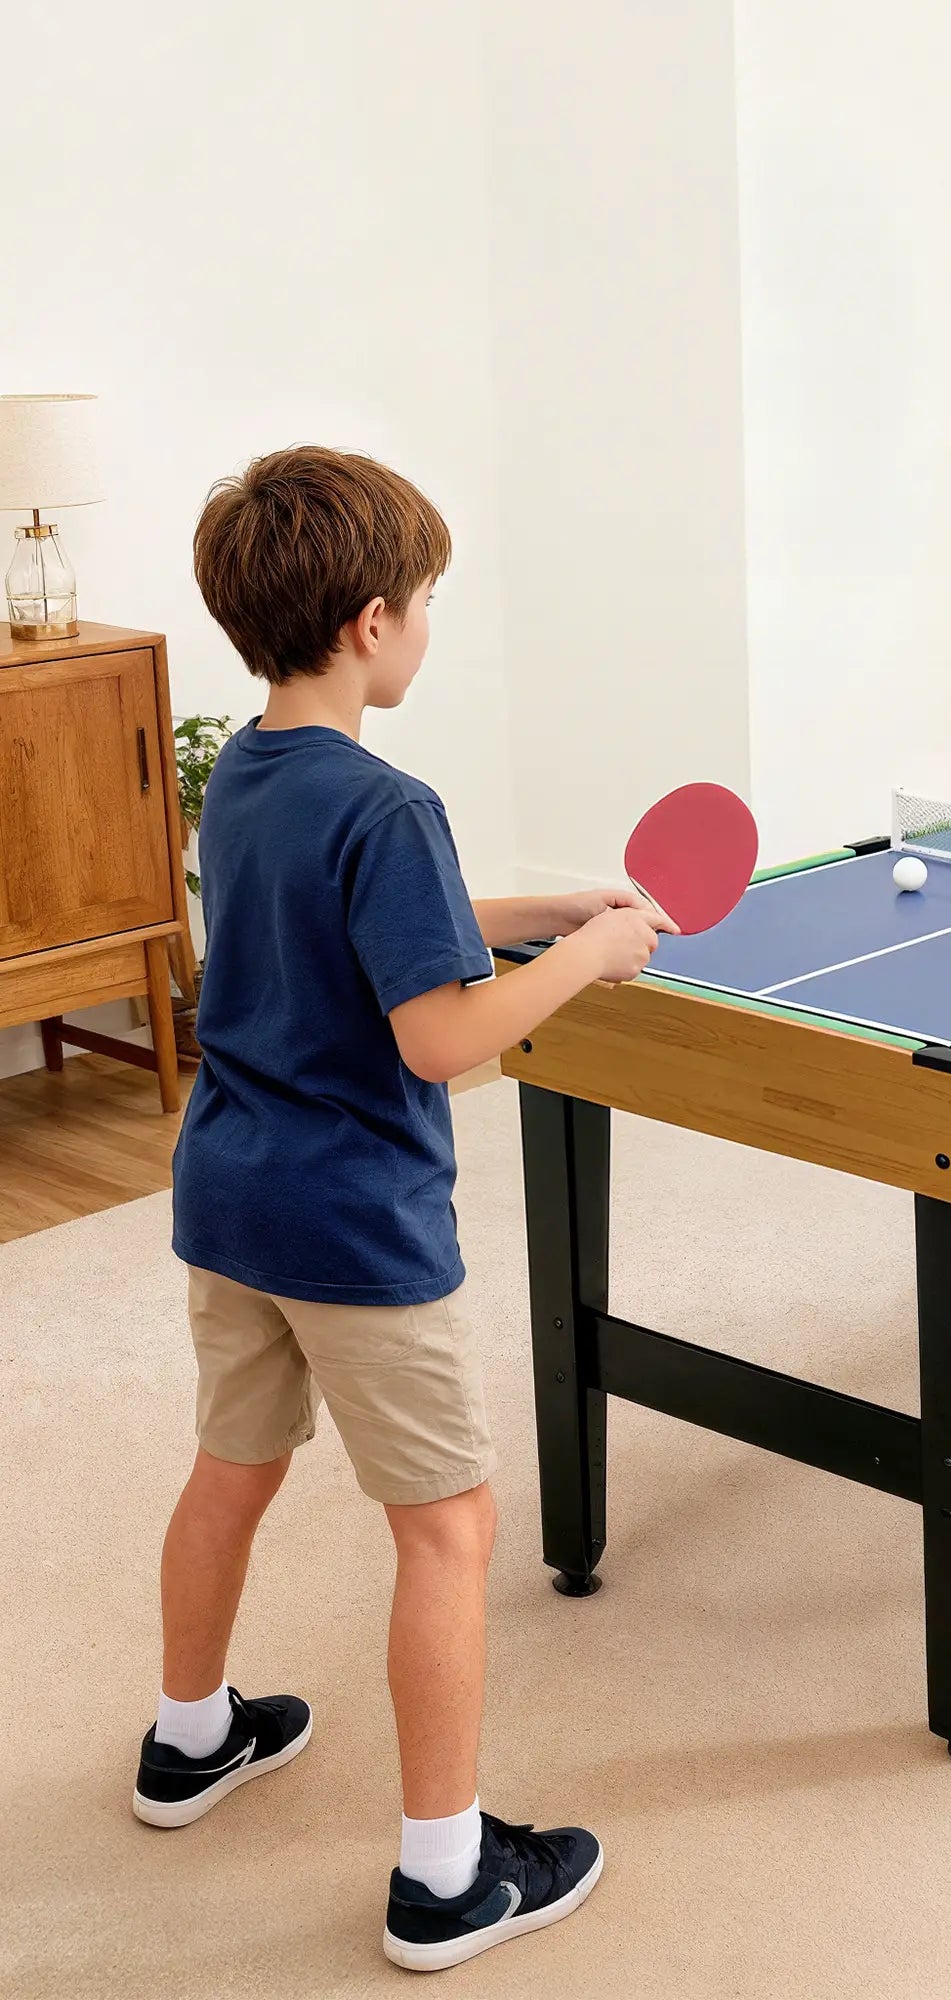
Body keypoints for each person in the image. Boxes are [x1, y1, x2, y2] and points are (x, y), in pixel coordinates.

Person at [132, 446, 672, 1970]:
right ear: (372, 621)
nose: (429, 625)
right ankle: (444, 1876)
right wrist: (590, 962)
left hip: (231, 1197)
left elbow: (356, 927)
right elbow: (438, 1037)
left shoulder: (247, 773)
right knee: (448, 1529)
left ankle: (189, 1738)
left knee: (233, 1466)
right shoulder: (391, 801)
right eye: (426, 601)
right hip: (354, 1225)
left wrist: (548, 907)